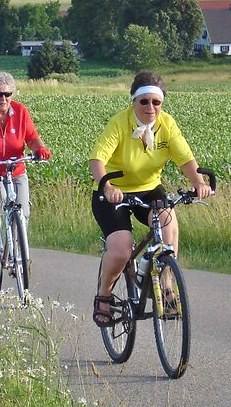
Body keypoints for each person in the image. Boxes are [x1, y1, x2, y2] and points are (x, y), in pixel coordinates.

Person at [89, 71, 212, 327]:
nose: (150, 107)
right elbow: (97, 159)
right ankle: (103, 295)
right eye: (144, 101)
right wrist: (107, 186)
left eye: (156, 102)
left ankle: (167, 286)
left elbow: (185, 159)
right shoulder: (120, 123)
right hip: (113, 192)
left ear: (162, 103)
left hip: (148, 188)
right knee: (122, 249)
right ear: (134, 101)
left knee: (168, 223)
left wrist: (198, 182)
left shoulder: (167, 124)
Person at [0, 71, 51, 256]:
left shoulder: (20, 111)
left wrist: (39, 149)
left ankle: (18, 249)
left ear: (13, 94)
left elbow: (32, 137)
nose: (3, 98)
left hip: (15, 168)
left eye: (7, 94)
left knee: (23, 209)